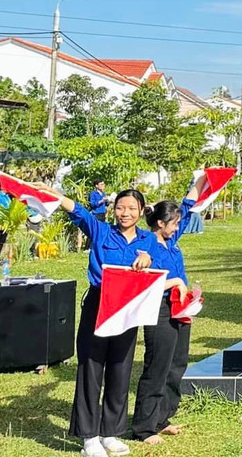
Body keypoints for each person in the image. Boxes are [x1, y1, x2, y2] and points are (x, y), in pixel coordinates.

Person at [55, 186, 156, 457]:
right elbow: (77, 211)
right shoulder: (101, 231)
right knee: (91, 368)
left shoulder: (147, 239)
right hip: (98, 305)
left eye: (132, 208)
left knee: (120, 369)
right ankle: (89, 437)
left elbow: (153, 261)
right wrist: (51, 194)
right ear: (114, 210)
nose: (125, 213)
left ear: (141, 211)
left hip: (128, 308)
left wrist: (147, 258)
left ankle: (111, 432)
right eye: (121, 207)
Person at [131, 193, 198, 444]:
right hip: (159, 307)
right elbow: (143, 281)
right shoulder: (146, 243)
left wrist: (203, 178)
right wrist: (176, 282)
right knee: (157, 366)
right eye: (174, 223)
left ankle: (162, 418)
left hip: (180, 307)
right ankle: (144, 428)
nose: (178, 227)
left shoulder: (172, 240)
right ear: (161, 223)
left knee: (176, 364)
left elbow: (189, 207)